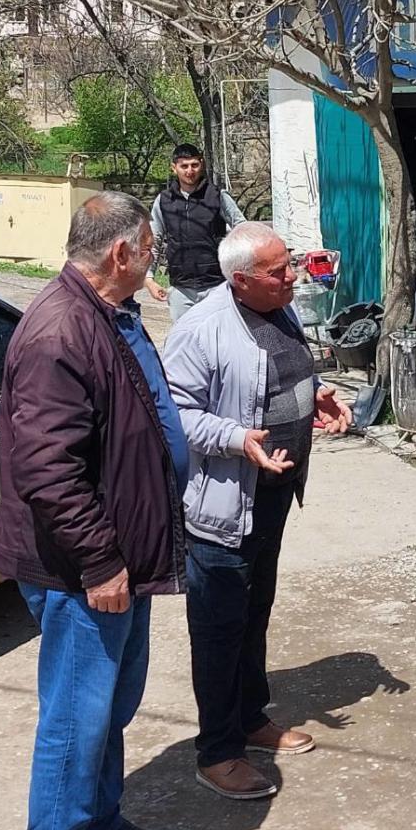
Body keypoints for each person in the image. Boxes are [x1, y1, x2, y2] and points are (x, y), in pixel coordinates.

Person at [0, 192, 189, 830]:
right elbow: (47, 469)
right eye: (150, 247)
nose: (153, 259)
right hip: (81, 571)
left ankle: (98, 821)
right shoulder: (59, 330)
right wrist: (101, 562)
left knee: (109, 708)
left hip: (117, 563)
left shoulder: (104, 314)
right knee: (76, 717)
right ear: (122, 252)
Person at [162, 221, 353, 800]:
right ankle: (216, 751)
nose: (291, 276)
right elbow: (176, 411)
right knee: (219, 628)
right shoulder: (202, 329)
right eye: (278, 271)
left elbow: (278, 370)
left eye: (288, 264)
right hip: (224, 503)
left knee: (255, 612)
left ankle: (250, 719)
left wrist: (313, 394)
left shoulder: (277, 307)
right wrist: (238, 438)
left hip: (271, 495)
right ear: (242, 280)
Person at [145, 143, 246, 322]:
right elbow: (153, 240)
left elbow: (243, 230)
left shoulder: (217, 196)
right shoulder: (163, 201)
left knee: (220, 341)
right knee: (185, 343)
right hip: (181, 289)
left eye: (194, 165)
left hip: (217, 286)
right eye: (184, 166)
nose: (189, 171)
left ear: (202, 164)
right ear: (174, 168)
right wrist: (149, 278)